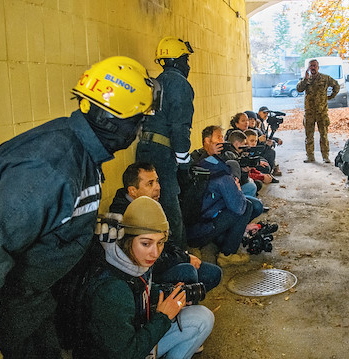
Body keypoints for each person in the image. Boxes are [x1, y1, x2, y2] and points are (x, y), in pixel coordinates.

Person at [0, 56, 158, 358]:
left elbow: (51, 215)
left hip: (30, 296)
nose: (138, 130)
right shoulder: (51, 168)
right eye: (138, 121)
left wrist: (95, 225)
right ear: (112, 121)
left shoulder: (79, 151)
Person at [74, 196, 214, 359]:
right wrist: (164, 317)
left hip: (134, 334)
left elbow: (140, 288)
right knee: (198, 319)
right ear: (128, 239)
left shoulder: (128, 259)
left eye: (160, 242)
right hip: (118, 354)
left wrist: (168, 293)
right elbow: (126, 354)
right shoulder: (111, 289)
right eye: (146, 243)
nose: (155, 253)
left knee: (203, 317)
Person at [109, 162, 222, 293]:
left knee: (214, 274)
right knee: (188, 272)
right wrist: (185, 259)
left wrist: (184, 255)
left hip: (164, 260)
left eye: (157, 181)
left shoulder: (151, 204)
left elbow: (168, 240)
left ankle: (183, 302)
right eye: (150, 184)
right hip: (145, 274)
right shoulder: (124, 216)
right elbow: (152, 259)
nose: (157, 187)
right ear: (132, 191)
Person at [137, 36, 195, 251]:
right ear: (178, 60)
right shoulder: (179, 83)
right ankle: (180, 259)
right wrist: (184, 164)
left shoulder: (156, 82)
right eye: (185, 59)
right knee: (170, 208)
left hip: (145, 148)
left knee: (153, 207)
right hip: (163, 153)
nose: (187, 64)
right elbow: (180, 127)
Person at [188, 126, 255, 266]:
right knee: (246, 206)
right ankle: (227, 254)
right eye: (218, 137)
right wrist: (237, 190)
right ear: (207, 141)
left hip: (197, 225)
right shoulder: (210, 165)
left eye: (222, 137)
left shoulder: (211, 161)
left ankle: (224, 240)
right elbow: (238, 207)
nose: (222, 141)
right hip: (199, 230)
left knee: (243, 204)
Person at [297, 59, 340, 163]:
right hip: (309, 113)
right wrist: (305, 79)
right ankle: (310, 156)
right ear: (308, 68)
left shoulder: (325, 78)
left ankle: (325, 156)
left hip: (322, 112)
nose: (313, 67)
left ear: (318, 67)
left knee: (324, 135)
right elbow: (299, 89)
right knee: (309, 136)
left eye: (314, 66)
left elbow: (336, 85)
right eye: (311, 66)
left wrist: (330, 96)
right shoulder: (306, 80)